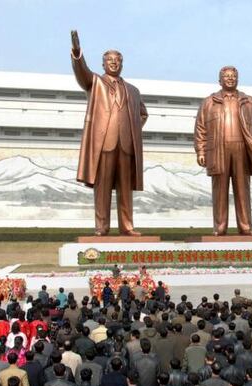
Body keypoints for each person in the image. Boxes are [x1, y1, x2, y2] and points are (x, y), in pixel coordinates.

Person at [69, 29, 148, 236]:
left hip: (126, 145)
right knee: (102, 187)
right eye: (110, 60)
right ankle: (102, 227)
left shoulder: (133, 90)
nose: (114, 63)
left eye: (117, 60)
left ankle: (127, 226)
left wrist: (132, 128)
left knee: (125, 188)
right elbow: (82, 72)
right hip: (104, 143)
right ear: (103, 64)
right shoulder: (95, 82)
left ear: (122, 64)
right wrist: (77, 53)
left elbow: (143, 114)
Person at [193, 65, 252, 236]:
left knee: (242, 189)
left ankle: (245, 226)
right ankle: (220, 227)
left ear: (237, 79)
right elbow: (200, 128)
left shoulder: (249, 101)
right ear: (219, 80)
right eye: (226, 76)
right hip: (218, 150)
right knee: (219, 190)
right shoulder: (209, 102)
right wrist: (201, 151)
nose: (230, 78)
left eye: (233, 76)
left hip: (242, 149)